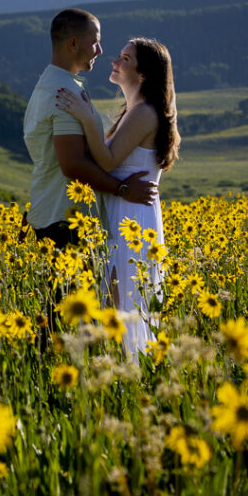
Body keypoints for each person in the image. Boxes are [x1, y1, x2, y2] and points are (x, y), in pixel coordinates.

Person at [56, 37, 180, 357]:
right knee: (116, 302)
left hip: (132, 218)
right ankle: (120, 375)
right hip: (125, 211)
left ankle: (126, 377)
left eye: (125, 59)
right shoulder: (136, 112)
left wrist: (85, 116)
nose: (115, 61)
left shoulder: (143, 113)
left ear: (142, 75)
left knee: (123, 303)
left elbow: (107, 162)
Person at [23, 8, 156, 249]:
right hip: (65, 222)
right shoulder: (63, 93)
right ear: (73, 44)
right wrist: (123, 189)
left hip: (53, 212)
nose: (100, 51)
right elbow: (72, 164)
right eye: (95, 42)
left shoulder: (51, 85)